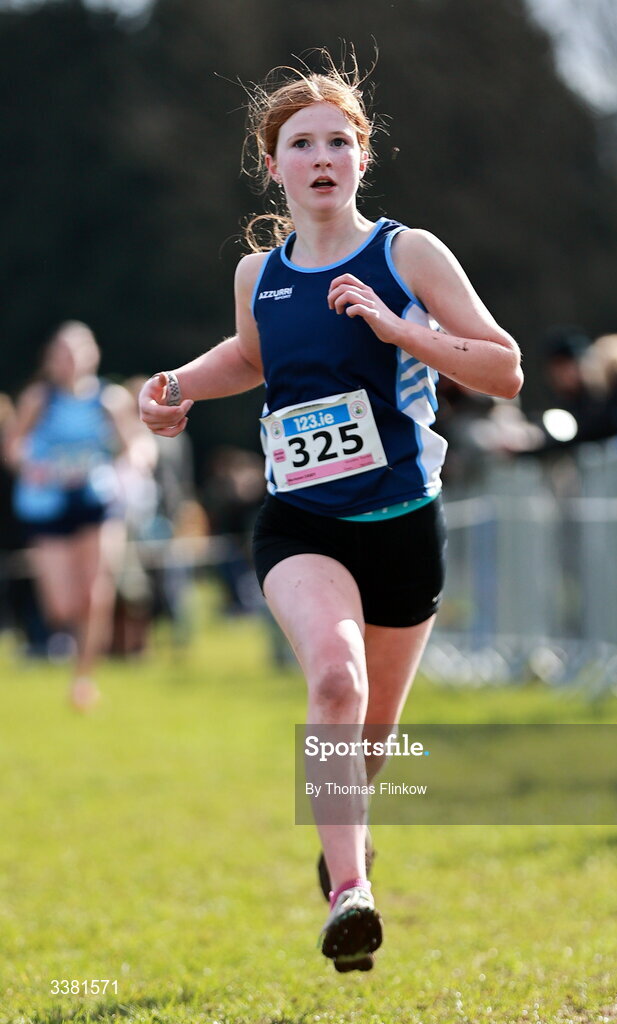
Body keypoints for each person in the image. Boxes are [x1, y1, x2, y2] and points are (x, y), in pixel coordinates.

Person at [138, 53, 523, 972]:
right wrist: (176, 387)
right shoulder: (257, 274)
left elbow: (501, 368)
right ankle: (352, 891)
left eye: (339, 141)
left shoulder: (407, 253)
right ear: (272, 165)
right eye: (301, 143)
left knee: (371, 738)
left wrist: (399, 331)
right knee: (335, 684)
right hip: (299, 525)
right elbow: (251, 356)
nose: (322, 157)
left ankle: (341, 845)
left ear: (361, 158)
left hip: (401, 526)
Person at [5, 321, 155, 710]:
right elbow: (14, 448)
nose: (70, 361)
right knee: (62, 607)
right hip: (48, 506)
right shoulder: (39, 399)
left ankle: (84, 679)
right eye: (62, 353)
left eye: (77, 352)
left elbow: (136, 445)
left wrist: (137, 463)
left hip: (98, 502)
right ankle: (72, 651)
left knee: (95, 593)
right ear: (51, 359)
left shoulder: (111, 400)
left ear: (93, 355)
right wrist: (32, 466)